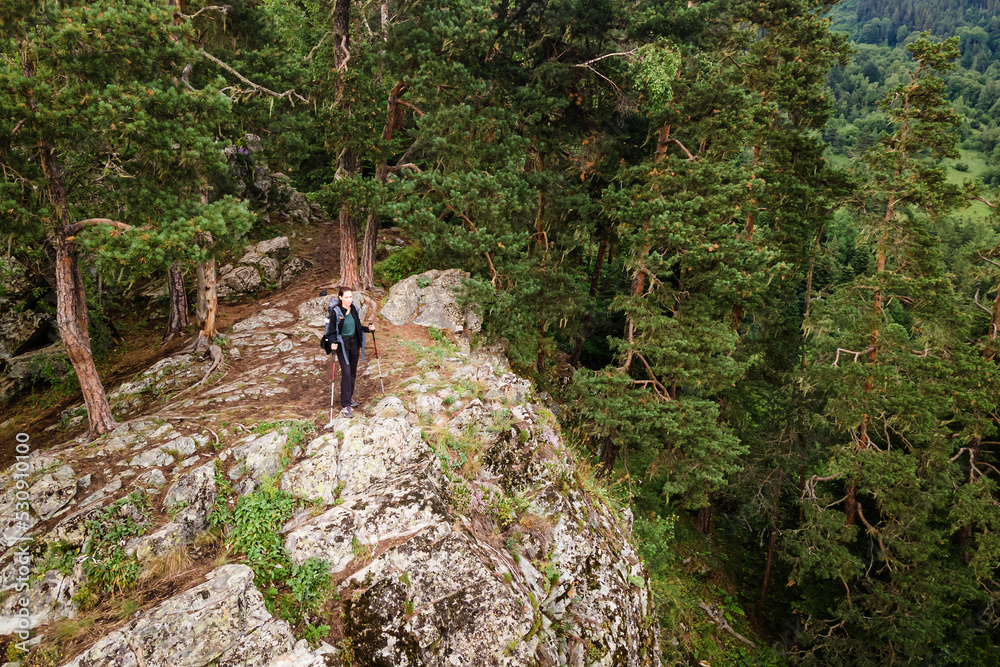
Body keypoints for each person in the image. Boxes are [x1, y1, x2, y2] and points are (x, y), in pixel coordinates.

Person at [325, 287, 375, 417]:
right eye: (346, 297)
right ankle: (346, 405)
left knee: (352, 372)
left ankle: (349, 397)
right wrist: (333, 343)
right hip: (342, 344)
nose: (349, 299)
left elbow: (357, 327)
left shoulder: (354, 309)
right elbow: (330, 332)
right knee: (346, 372)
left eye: (350, 297)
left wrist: (368, 329)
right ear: (341, 297)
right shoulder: (336, 312)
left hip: (354, 343)